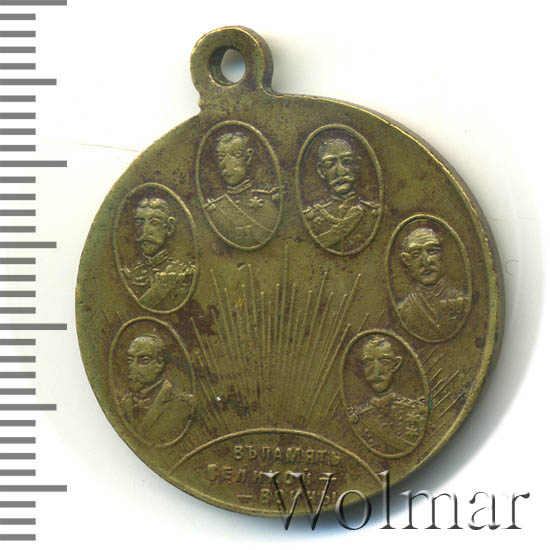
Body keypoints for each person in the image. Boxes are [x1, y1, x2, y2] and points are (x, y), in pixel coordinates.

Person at [347, 334, 427, 456]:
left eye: (384, 361)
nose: (376, 372)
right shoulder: (358, 417)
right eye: (368, 363)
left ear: (396, 364)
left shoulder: (416, 410)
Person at [203, 131, 279, 248]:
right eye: (221, 157)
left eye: (236, 155)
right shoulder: (213, 209)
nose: (227, 164)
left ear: (248, 157)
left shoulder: (271, 201)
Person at [302, 137, 379, 252]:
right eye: (330, 165)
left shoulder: (373, 213)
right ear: (321, 171)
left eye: (346, 162)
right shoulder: (312, 218)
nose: (340, 172)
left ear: (356, 165)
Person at [122, 196, 196, 311]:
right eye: (139, 223)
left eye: (154, 222)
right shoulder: (130, 275)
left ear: (169, 227)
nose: (145, 231)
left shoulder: (185, 273)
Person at [119, 334, 193, 445]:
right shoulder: (124, 404)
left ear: (159, 363)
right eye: (130, 360)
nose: (132, 367)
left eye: (143, 360)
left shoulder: (185, 405)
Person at [397, 226, 466, 340]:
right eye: (416, 254)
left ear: (443, 255)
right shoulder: (403, 312)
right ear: (406, 260)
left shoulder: (462, 301)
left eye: (432, 251)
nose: (426, 261)